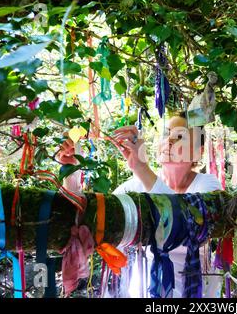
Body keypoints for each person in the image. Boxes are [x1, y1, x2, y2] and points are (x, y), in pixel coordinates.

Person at [57, 112, 222, 298]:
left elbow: (185, 223)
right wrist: (71, 169)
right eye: (166, 134)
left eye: (180, 137)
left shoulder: (208, 185)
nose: (169, 141)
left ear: (198, 152)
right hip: (144, 289)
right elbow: (89, 217)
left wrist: (141, 167)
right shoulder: (137, 184)